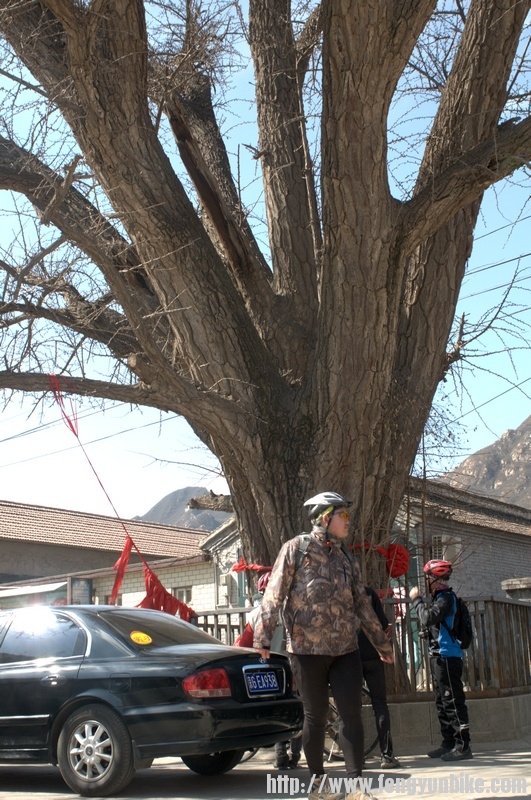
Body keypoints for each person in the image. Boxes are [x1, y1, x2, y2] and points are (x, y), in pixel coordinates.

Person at [254, 491, 394, 800]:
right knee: (315, 718)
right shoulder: (295, 549)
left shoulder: (346, 556)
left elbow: (362, 603)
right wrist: (263, 637)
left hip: (346, 649)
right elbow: (273, 594)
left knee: (352, 715)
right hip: (306, 652)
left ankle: (357, 787)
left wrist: (381, 644)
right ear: (325, 517)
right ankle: (319, 786)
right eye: (343, 515)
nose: (348, 521)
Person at [235, 571, 303, 769]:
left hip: (269, 668)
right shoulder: (294, 609)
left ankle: (280, 753)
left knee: (279, 710)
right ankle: (296, 754)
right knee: (300, 707)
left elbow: (243, 643)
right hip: (295, 664)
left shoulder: (256, 614)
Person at [409, 559, 472, 762]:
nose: (426, 580)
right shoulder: (440, 598)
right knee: (442, 702)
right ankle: (449, 744)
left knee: (453, 701)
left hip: (448, 657)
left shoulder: (446, 598)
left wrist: (416, 600)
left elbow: (428, 617)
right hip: (439, 657)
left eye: (428, 576)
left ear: (435, 578)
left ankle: (463, 746)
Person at [358, 587, 401, 769]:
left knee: (351, 708)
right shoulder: (368, 593)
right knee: (380, 704)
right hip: (374, 654)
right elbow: (383, 624)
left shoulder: (338, 593)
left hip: (349, 657)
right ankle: (387, 755)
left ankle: (356, 758)